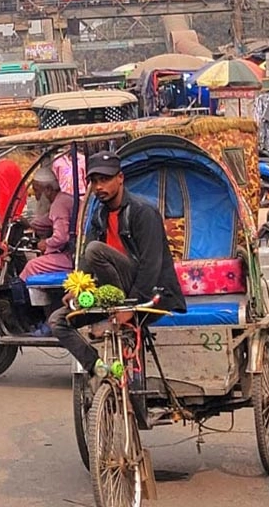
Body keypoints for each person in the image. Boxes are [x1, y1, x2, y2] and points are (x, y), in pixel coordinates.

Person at [48, 152, 186, 375]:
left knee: (95, 250)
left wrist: (129, 309)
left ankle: (123, 306)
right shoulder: (99, 215)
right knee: (58, 320)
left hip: (148, 296)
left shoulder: (143, 211)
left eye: (105, 179)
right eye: (94, 181)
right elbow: (86, 262)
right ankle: (98, 366)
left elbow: (151, 265)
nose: (99, 186)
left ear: (120, 178)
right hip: (112, 294)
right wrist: (77, 289)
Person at [19, 168, 75, 281]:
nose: (36, 196)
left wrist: (46, 243)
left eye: (37, 191)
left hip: (72, 256)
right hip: (72, 252)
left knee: (32, 266)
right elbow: (47, 220)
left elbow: (61, 237)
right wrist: (29, 223)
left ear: (48, 189)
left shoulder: (59, 205)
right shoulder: (64, 199)